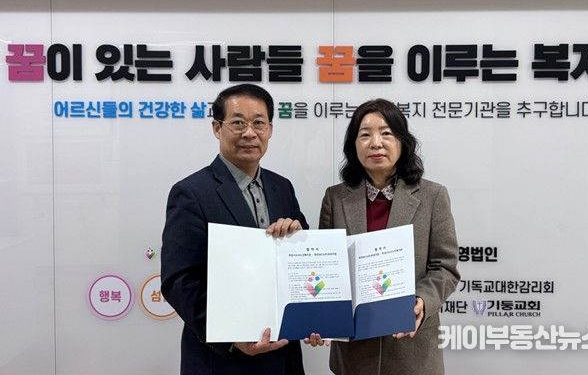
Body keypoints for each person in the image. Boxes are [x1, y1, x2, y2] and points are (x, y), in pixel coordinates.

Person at [161, 84, 309, 375]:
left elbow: (301, 261)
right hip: (220, 360)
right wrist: (230, 338)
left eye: (259, 123)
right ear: (217, 128)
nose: (250, 133)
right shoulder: (191, 193)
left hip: (283, 356)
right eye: (238, 123)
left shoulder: (282, 187)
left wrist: (297, 234)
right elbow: (179, 280)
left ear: (270, 129)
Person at [316, 98, 459, 375]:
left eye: (386, 133)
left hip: (413, 353)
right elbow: (327, 268)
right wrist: (320, 318)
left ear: (403, 142)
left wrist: (422, 300)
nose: (376, 143)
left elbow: (445, 267)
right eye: (365, 135)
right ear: (353, 146)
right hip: (354, 354)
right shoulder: (335, 198)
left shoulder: (433, 196)